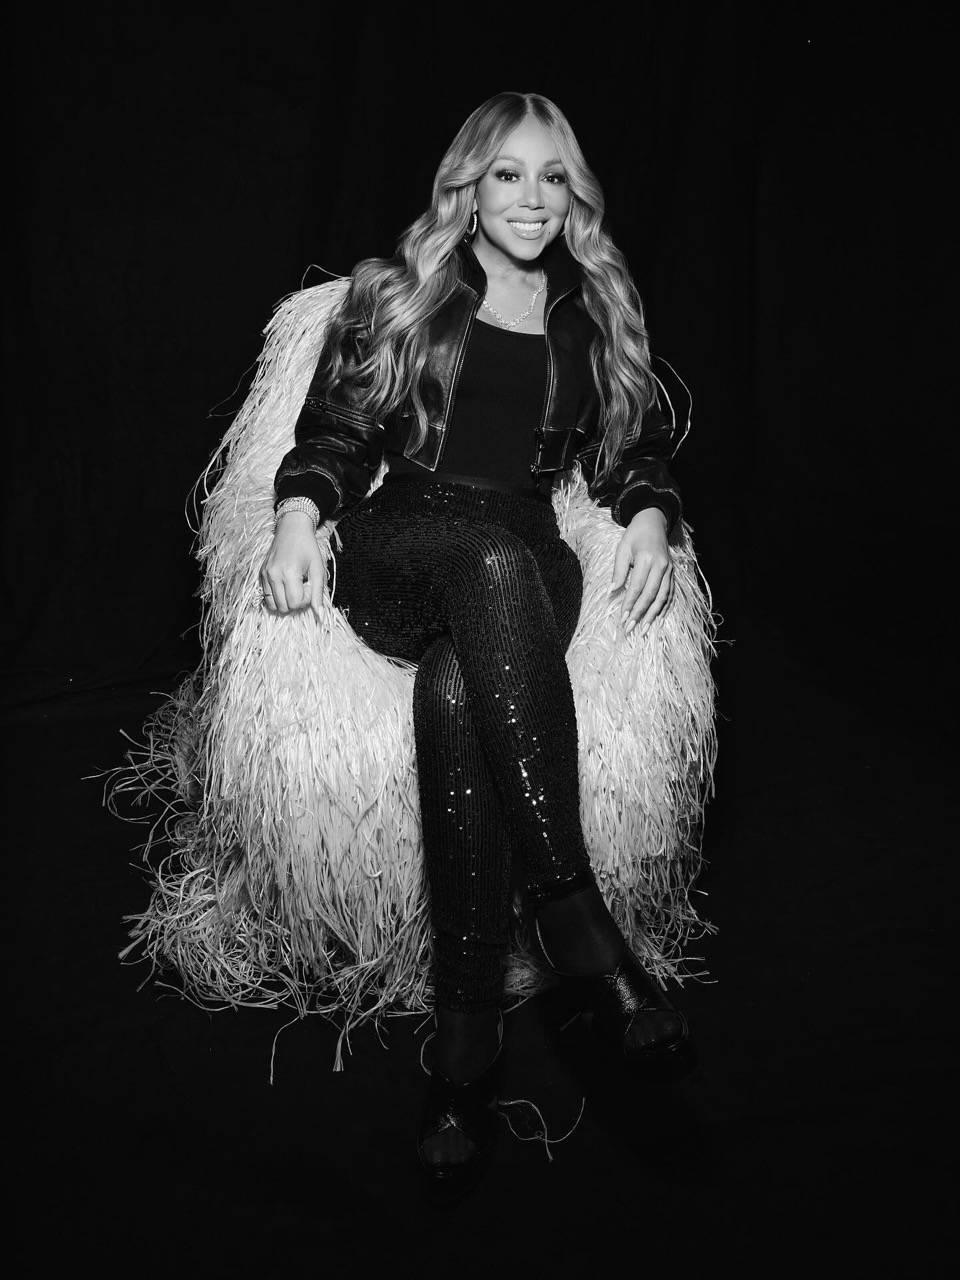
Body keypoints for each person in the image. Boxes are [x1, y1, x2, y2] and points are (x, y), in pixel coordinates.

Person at [260, 91, 695, 1200]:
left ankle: (463, 1040)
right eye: (509, 174)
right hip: (403, 541)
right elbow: (336, 433)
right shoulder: (397, 291)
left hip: (526, 551)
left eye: (553, 177)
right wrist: (301, 513)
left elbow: (632, 450)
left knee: (462, 683)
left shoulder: (595, 308)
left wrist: (648, 513)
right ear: (468, 184)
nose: (533, 199)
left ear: (574, 194)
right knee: (483, 567)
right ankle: (573, 910)